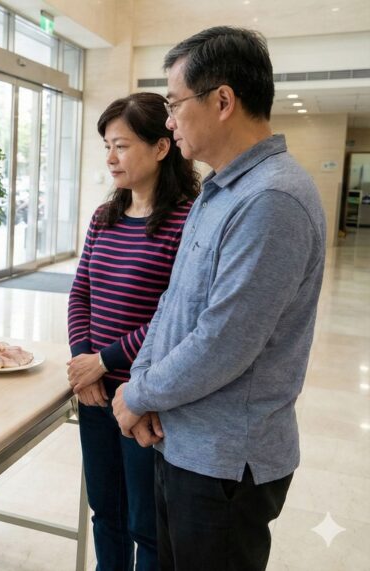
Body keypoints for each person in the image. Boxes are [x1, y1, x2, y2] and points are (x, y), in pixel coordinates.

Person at [112, 27, 326, 571]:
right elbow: (173, 304)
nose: (168, 119)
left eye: (174, 103)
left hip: (226, 462)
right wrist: (144, 388)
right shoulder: (219, 189)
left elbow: (224, 341)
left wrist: (138, 396)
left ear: (223, 101)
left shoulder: (271, 199)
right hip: (182, 442)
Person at [67, 92, 198, 571]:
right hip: (96, 390)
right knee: (107, 513)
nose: (110, 158)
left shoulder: (187, 221)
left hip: (143, 396)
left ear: (161, 147)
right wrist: (86, 364)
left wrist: (105, 361)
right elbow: (80, 292)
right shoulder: (105, 216)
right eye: (107, 146)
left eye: (121, 146)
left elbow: (174, 316)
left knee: (147, 524)